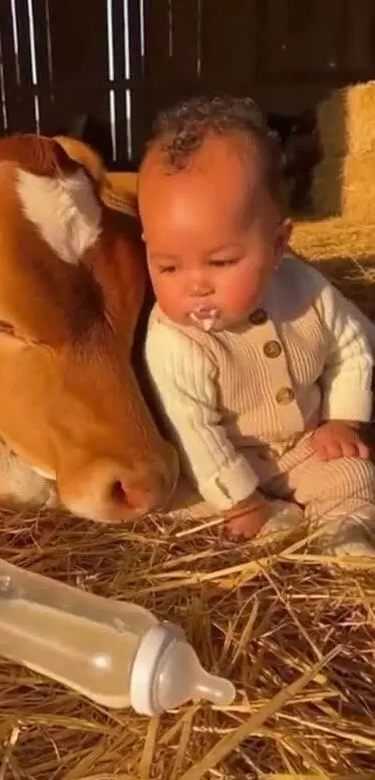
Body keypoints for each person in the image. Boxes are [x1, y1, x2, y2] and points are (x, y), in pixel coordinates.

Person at [139, 94, 375, 558]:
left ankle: (344, 536)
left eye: (221, 261)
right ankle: (262, 517)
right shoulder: (173, 340)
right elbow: (195, 431)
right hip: (230, 455)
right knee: (178, 493)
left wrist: (343, 419)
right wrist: (241, 503)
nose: (195, 286)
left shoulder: (307, 290)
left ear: (278, 243)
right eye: (168, 267)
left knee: (354, 476)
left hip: (307, 445)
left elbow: (354, 346)